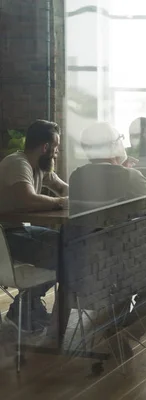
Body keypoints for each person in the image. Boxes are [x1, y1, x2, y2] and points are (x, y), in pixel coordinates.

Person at [70, 122, 146, 357]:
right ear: (114, 145)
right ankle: (126, 332)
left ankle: (109, 324)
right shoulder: (132, 178)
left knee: (128, 265)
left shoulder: (77, 177)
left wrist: (122, 168)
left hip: (88, 268)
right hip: (123, 270)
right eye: (120, 139)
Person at [0, 119, 68, 331]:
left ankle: (25, 308)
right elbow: (26, 199)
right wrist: (59, 202)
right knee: (66, 254)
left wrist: (85, 196)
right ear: (46, 147)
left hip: (16, 230)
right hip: (4, 237)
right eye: (56, 148)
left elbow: (63, 189)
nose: (57, 153)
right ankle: (23, 309)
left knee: (69, 245)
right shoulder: (17, 163)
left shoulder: (40, 166)